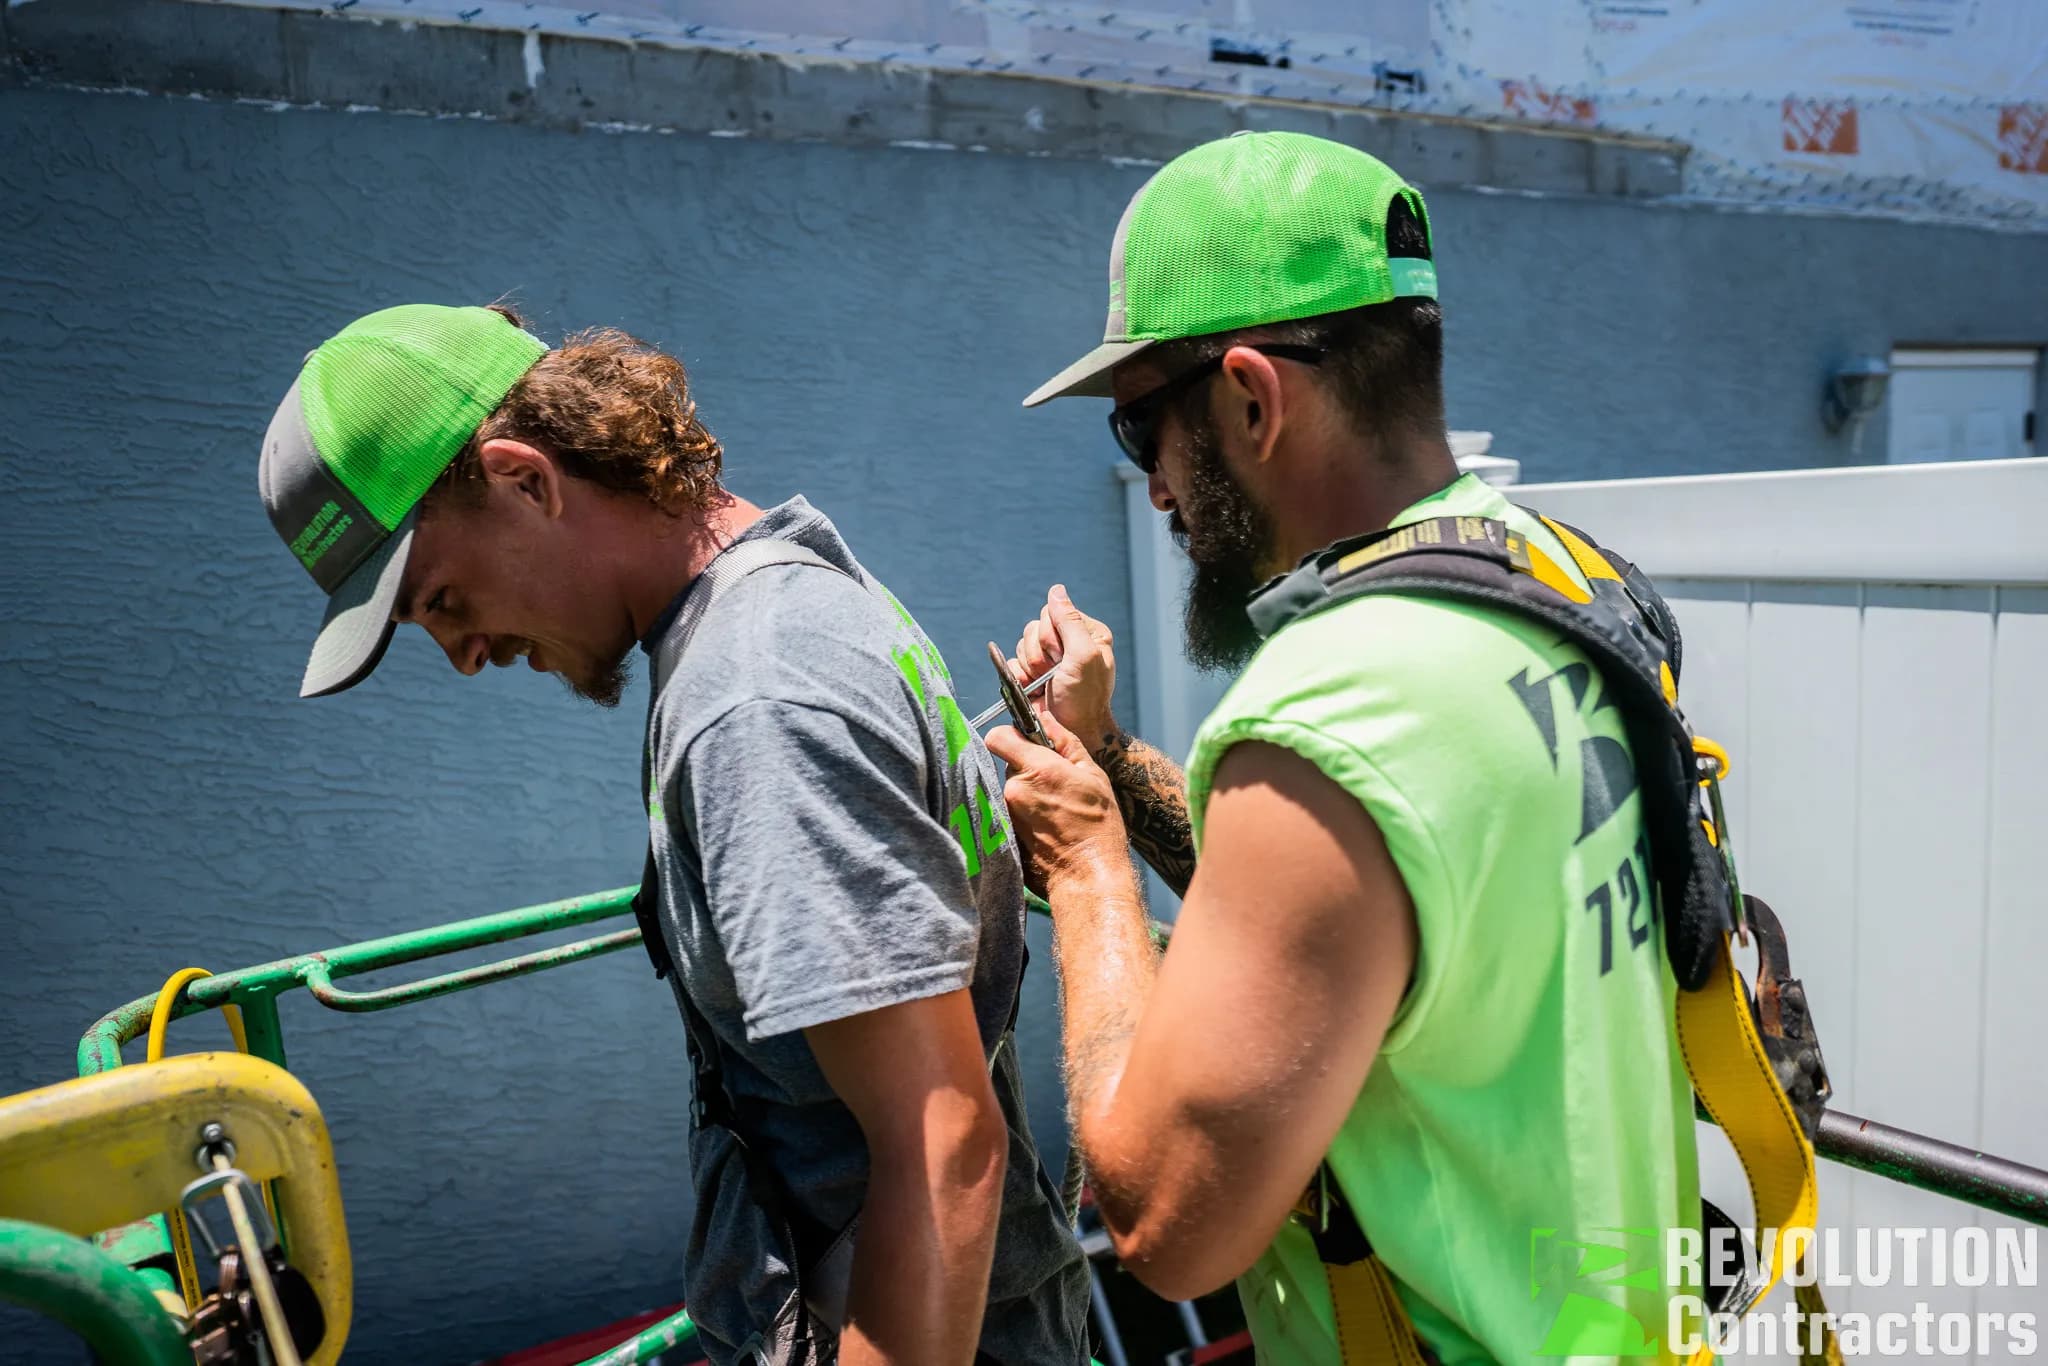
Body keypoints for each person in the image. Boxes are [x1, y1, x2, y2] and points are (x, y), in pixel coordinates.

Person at [254, 303, 1089, 1365]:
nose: (462, 654)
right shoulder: (789, 593)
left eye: (444, 598)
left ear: (523, 478)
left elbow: (938, 1148)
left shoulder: (757, 697)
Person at [985, 131, 1701, 1362]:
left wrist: (1088, 873)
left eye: (1139, 427)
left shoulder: (1334, 703)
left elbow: (1166, 1220)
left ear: (1252, 397)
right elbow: (1332, 922)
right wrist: (1100, 752)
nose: (1153, 488)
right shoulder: (1555, 581)